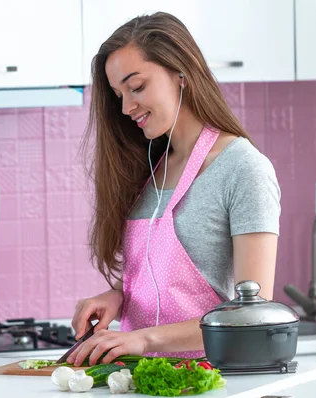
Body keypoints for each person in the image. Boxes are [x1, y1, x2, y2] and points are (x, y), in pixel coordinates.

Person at [67, 11, 281, 367]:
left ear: (181, 74)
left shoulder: (243, 168)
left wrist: (144, 339)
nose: (126, 107)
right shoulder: (152, 164)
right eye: (119, 94)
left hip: (210, 379)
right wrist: (121, 297)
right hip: (141, 377)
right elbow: (164, 279)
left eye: (136, 87)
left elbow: (250, 316)